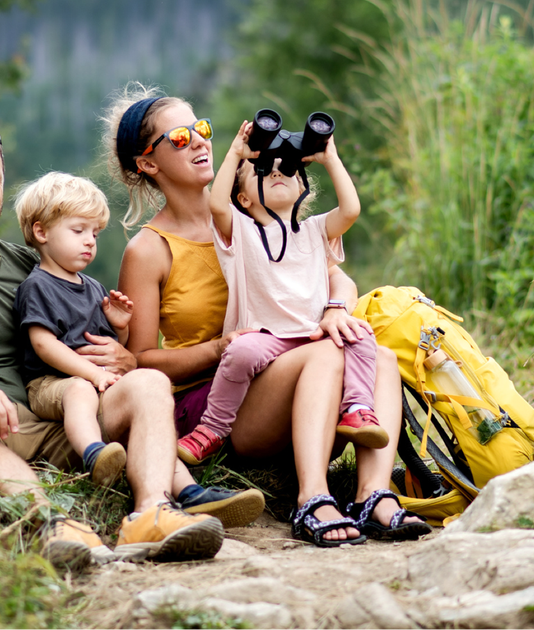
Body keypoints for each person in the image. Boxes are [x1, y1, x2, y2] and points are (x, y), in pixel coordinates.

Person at [0, 114, 264, 570]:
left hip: (68, 417)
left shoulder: (30, 263)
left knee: (148, 383)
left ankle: (151, 513)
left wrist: (122, 354)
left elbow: (92, 327)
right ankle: (48, 520)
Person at [107, 86, 432, 545]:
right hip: (224, 401)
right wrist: (220, 348)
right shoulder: (150, 249)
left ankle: (373, 496)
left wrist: (338, 307)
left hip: (290, 379)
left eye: (201, 129)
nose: (200, 141)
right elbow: (141, 359)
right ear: (148, 163)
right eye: (180, 138)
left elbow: (332, 276)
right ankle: (312, 500)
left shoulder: (259, 216)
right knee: (326, 355)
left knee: (376, 355)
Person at [175, 119, 389, 468]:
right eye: (263, 170)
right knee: (240, 351)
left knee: (363, 337)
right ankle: (211, 428)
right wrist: (236, 153)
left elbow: (351, 210)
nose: (277, 173)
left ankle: (358, 409)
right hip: (265, 336)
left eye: (287, 169)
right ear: (243, 197)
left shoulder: (316, 230)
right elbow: (216, 205)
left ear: (302, 185)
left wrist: (329, 158)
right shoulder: (241, 232)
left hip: (312, 334)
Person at [12, 172, 132, 487]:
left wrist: (120, 330)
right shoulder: (37, 285)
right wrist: (93, 375)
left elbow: (108, 348)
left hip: (91, 381)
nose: (90, 240)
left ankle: (181, 485)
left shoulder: (92, 287)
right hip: (48, 384)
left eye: (95, 232)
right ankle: (93, 455)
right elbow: (44, 345)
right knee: (79, 389)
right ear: (41, 232)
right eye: (78, 230)